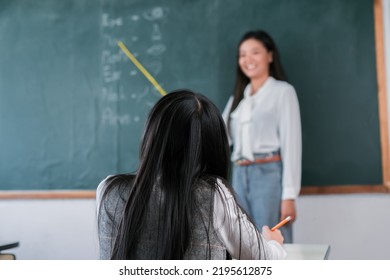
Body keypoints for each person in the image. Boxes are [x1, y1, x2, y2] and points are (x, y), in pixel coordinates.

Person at [96, 89, 286, 260]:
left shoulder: (109, 190)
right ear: (213, 146)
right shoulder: (212, 194)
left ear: (151, 136)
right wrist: (273, 242)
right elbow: (263, 258)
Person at [222, 30, 302, 243]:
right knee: (244, 243)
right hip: (239, 175)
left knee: (271, 242)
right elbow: (219, 137)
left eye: (255, 52)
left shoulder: (282, 92)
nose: (247, 59)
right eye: (242, 54)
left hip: (268, 175)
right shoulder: (238, 98)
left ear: (270, 55)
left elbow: (291, 145)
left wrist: (289, 195)